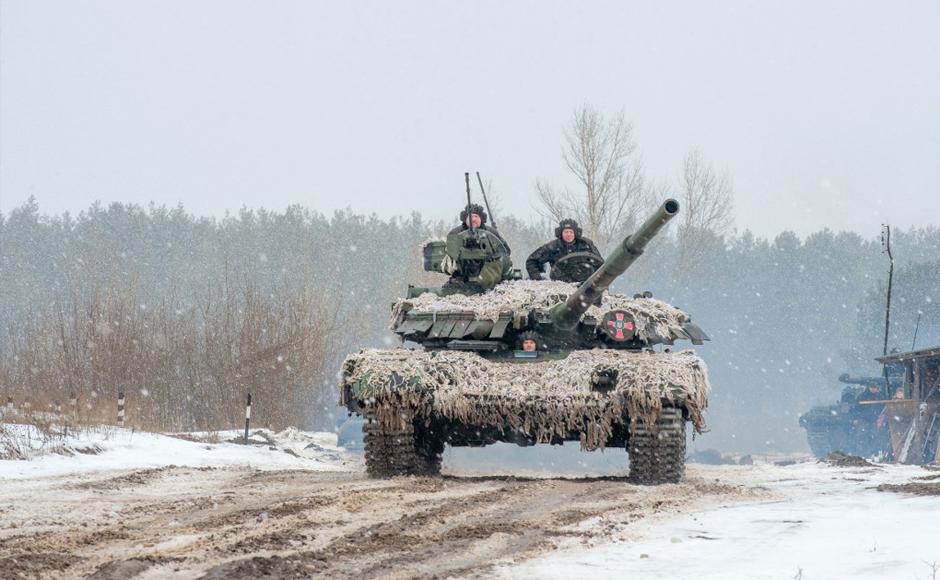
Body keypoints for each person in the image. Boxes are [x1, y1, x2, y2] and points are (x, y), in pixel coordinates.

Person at [441, 204, 512, 292]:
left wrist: (491, 256)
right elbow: (448, 258)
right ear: (465, 219)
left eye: (476, 216)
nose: (473, 219)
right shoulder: (455, 234)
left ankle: (483, 284)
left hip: (488, 273)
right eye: (470, 217)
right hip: (462, 275)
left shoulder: (491, 232)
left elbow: (505, 252)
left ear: (481, 219)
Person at [526, 218, 602, 281]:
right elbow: (531, 261)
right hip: (561, 286)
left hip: (587, 285)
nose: (568, 234)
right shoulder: (552, 247)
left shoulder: (586, 244)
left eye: (571, 232)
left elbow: (600, 263)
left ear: (575, 233)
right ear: (561, 233)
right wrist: (538, 280)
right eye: (566, 232)